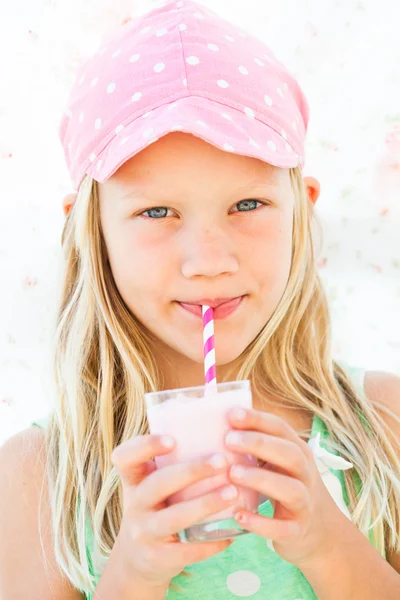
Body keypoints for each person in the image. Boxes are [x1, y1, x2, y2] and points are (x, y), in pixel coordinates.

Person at [1, 1, 400, 599]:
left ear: (303, 211)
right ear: (91, 233)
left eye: (248, 205)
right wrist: (133, 573)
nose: (209, 259)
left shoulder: (383, 424)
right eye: (156, 212)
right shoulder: (36, 477)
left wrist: (329, 545)